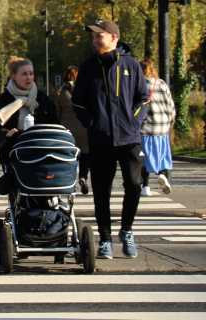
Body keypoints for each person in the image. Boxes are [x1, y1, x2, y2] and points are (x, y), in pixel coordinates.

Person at [72, 19, 150, 260]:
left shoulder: (132, 65)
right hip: (100, 141)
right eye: (94, 37)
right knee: (101, 192)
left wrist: (134, 122)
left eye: (99, 36)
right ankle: (105, 239)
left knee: (134, 186)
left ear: (114, 38)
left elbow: (144, 98)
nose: (95, 40)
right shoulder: (87, 67)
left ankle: (126, 231)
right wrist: (92, 124)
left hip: (129, 139)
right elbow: (78, 102)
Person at [0, 56, 59, 166]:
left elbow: (55, 123)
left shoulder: (42, 98)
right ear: (14, 76)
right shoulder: (4, 99)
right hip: (12, 152)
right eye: (24, 74)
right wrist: (6, 133)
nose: (29, 78)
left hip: (40, 151)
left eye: (31, 73)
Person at [138, 59, 176, 196]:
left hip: (145, 127)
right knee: (162, 153)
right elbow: (170, 105)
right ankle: (163, 174)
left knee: (144, 158)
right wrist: (170, 121)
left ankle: (145, 187)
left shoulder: (138, 85)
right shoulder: (161, 84)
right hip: (162, 126)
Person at [55, 65, 89, 194]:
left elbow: (57, 113)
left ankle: (71, 182)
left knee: (70, 157)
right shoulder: (84, 90)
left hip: (67, 129)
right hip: (83, 128)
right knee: (85, 156)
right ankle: (83, 177)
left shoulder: (61, 93)